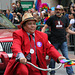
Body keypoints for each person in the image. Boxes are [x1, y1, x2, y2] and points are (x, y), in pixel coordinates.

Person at [41, 5, 75, 75]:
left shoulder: (65, 19)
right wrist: (41, 35)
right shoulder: (52, 18)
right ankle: (52, 72)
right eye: (56, 9)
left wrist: (74, 33)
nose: (57, 11)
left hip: (63, 41)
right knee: (53, 58)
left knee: (66, 58)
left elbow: (67, 29)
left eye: (59, 9)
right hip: (54, 41)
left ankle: (70, 72)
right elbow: (45, 27)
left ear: (62, 11)